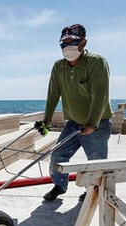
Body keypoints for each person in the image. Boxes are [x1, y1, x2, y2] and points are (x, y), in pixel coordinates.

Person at [36, 24, 112, 202]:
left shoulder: (96, 62)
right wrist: (46, 120)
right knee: (57, 155)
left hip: (97, 124)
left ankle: (92, 190)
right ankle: (59, 185)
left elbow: (100, 94)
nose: (67, 47)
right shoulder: (58, 67)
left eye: (72, 42)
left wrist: (92, 123)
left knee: (95, 162)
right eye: (64, 43)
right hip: (72, 123)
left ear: (83, 43)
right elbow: (53, 94)